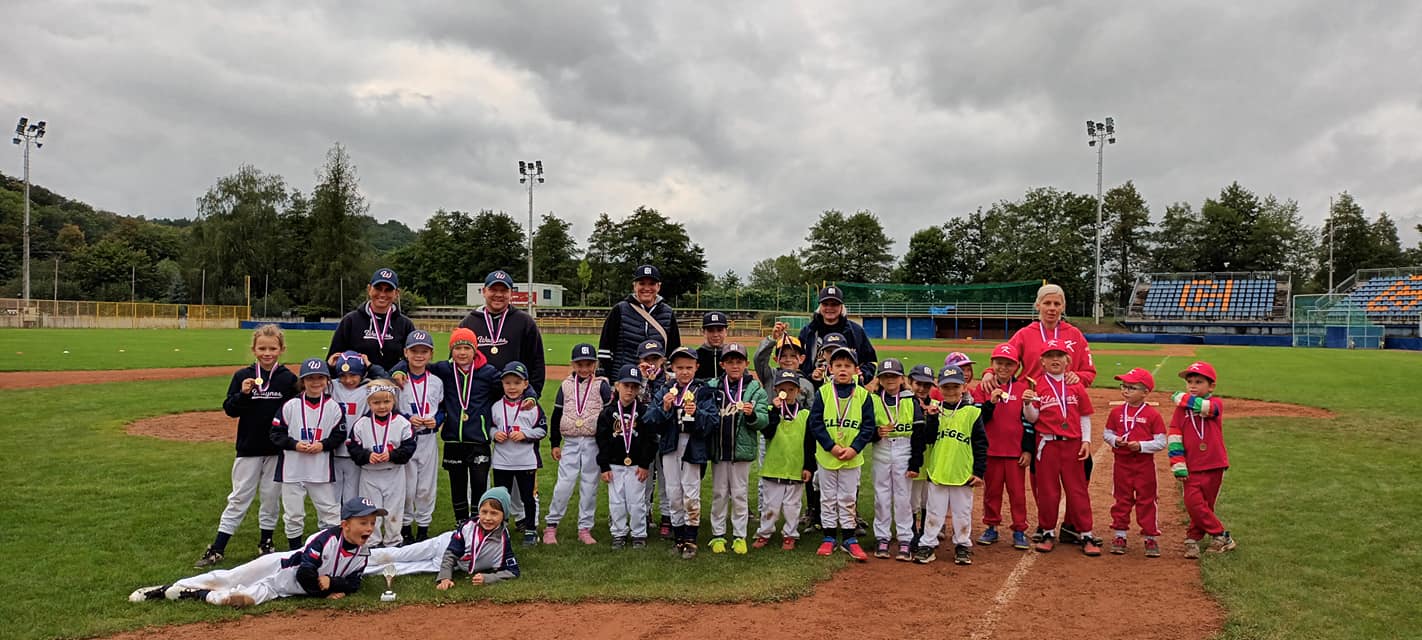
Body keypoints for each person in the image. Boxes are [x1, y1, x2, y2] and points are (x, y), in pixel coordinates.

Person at [982, 282, 1098, 546]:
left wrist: (1077, 377)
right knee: (1040, 472)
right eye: (1047, 303)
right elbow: (1005, 358)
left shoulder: (1075, 335)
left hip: (1066, 408)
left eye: (1057, 303)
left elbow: (1089, 372)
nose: (1052, 308)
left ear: (1063, 306)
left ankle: (1073, 525)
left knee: (1081, 471)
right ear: (1037, 305)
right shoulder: (1025, 334)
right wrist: (989, 372)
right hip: (1034, 407)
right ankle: (1045, 526)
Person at [133, 497, 385, 607]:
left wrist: (334, 584)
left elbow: (354, 583)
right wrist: (327, 590)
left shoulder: (362, 553)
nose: (369, 528)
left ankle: (193, 595)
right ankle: (165, 589)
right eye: (363, 522)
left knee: (237, 601)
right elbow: (305, 573)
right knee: (228, 578)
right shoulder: (325, 539)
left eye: (372, 523)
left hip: (281, 588)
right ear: (345, 524)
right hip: (277, 567)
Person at [196, 324, 298, 568]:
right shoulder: (243, 376)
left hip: (276, 450)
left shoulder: (287, 379)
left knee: (271, 498)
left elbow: (296, 411)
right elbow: (230, 410)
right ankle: (218, 547)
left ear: (281, 349)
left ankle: (266, 542)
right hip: (249, 448)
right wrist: (242, 394)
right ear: (254, 349)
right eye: (262, 348)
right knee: (239, 497)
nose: (267, 353)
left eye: (272, 348)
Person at [908, 364, 989, 565]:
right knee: (934, 512)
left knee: (962, 513)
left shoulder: (972, 413)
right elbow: (929, 438)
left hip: (963, 473)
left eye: (955, 386)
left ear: (964, 387)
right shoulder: (936, 410)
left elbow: (980, 444)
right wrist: (932, 418)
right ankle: (928, 544)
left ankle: (962, 544)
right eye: (946, 387)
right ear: (940, 388)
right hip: (939, 471)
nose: (951, 391)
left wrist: (979, 472)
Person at [1025, 340, 1100, 556]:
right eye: (1050, 356)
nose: (1055, 360)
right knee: (1047, 491)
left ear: (1068, 360)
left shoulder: (1075, 384)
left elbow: (1084, 415)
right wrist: (1027, 404)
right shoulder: (1037, 385)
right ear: (1042, 361)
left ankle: (1085, 533)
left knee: (1077, 490)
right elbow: (1033, 418)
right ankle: (1047, 532)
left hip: (1073, 444)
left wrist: (1086, 441)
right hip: (1047, 444)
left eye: (1059, 355)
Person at [807, 347, 877, 561]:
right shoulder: (823, 393)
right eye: (838, 365)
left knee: (847, 497)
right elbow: (815, 423)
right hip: (828, 456)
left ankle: (849, 537)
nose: (843, 369)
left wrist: (855, 448)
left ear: (856, 369)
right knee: (828, 497)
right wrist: (831, 446)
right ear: (830, 369)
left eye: (847, 366)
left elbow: (868, 426)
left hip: (852, 457)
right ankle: (829, 536)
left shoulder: (863, 395)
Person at [270, 358, 346, 551]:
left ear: (327, 380)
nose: (315, 382)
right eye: (310, 378)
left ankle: (329, 550)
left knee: (329, 511)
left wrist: (323, 445)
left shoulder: (333, 407)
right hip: (292, 469)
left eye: (320, 378)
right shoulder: (290, 405)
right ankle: (295, 550)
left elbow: (339, 435)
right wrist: (294, 444)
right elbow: (276, 434)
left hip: (320, 470)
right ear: (302, 381)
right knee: (293, 514)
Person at [647, 347, 714, 559]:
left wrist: (697, 414)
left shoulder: (703, 391)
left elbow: (713, 421)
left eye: (689, 367)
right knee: (673, 493)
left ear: (696, 368)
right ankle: (678, 539)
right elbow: (650, 420)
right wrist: (664, 408)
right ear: (672, 368)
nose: (684, 372)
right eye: (680, 368)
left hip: (693, 447)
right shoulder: (665, 390)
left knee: (691, 493)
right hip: (670, 446)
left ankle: (691, 540)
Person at [702, 344, 767, 555]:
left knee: (739, 495)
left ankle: (740, 536)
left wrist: (752, 415)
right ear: (722, 364)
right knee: (719, 494)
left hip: (741, 452)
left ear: (746, 364)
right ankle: (718, 535)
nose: (735, 366)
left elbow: (763, 420)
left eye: (739, 362)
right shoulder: (713, 386)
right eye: (730, 362)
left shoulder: (755, 390)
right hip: (720, 450)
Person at [544, 343, 612, 545]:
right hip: (571, 442)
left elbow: (609, 416)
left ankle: (585, 527)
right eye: (579, 364)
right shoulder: (565, 385)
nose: (584, 369)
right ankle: (551, 525)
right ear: (573, 364)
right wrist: (555, 443)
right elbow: (556, 415)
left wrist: (607, 445)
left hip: (593, 442)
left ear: (595, 364)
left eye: (588, 364)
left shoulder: (601, 385)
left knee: (589, 486)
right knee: (564, 484)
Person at [1168, 361, 1236, 559]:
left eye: (1198, 382)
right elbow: (1174, 436)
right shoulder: (1181, 411)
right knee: (1193, 503)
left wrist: (1180, 397)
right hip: (1192, 466)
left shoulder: (1216, 404)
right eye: (1189, 382)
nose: (1192, 386)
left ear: (1211, 386)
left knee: (1206, 505)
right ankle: (1221, 535)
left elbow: (1206, 407)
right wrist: (1178, 464)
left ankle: (1193, 538)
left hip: (1215, 463)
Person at [976, 343, 1035, 551]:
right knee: (992, 493)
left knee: (1017, 494)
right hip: (991, 451)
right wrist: (991, 403)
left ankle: (1019, 529)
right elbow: (978, 420)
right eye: (999, 363)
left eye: (1009, 364)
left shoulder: (1023, 389)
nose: (1003, 368)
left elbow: (1029, 423)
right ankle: (991, 526)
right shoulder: (983, 388)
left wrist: (1027, 449)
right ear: (992, 364)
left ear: (1016, 366)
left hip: (1015, 453)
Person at [1105, 368, 1167, 557]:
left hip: (1143, 464)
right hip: (1121, 463)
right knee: (1121, 498)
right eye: (1124, 386)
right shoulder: (1116, 412)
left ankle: (1150, 536)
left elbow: (1161, 441)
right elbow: (1107, 433)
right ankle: (1120, 534)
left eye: (1132, 388)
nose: (1125, 390)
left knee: (1147, 499)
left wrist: (1141, 446)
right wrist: (1115, 441)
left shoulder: (1152, 415)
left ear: (1145, 392)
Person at [347, 381, 416, 548]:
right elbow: (353, 447)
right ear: (369, 402)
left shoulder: (402, 423)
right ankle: (371, 542)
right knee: (371, 509)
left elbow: (409, 446)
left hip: (394, 472)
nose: (382, 406)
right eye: (376, 402)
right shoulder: (361, 424)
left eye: (387, 401)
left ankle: (393, 541)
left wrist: (392, 455)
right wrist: (367, 456)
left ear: (394, 401)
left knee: (394, 509)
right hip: (369, 474)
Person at [753, 370, 815, 550]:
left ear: (798, 391)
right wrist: (774, 411)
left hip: (795, 468)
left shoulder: (805, 415)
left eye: (791, 390)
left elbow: (810, 443)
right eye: (782, 390)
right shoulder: (770, 412)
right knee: (770, 505)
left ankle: (790, 534)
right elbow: (767, 432)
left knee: (792, 506)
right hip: (774, 467)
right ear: (775, 390)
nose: (786, 394)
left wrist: (808, 467)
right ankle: (764, 533)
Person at [597, 365, 658, 549]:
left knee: (637, 502)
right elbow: (601, 441)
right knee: (616, 501)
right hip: (614, 465)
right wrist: (604, 466)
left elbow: (650, 440)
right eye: (626, 386)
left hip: (637, 466)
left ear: (639, 389)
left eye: (634, 386)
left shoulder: (644, 411)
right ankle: (619, 533)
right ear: (617, 386)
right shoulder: (607, 413)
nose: (630, 390)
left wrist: (645, 464)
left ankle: (639, 533)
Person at [487, 362, 548, 546]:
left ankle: (530, 529)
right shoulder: (496, 407)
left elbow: (542, 430)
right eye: (507, 383)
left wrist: (525, 434)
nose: (512, 387)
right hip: (501, 462)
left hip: (526, 462)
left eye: (517, 383)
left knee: (527, 498)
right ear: (502, 384)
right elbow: (489, 427)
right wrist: (494, 434)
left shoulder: (532, 407)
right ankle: (501, 528)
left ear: (525, 384)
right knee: (501, 497)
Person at [458, 270, 548, 395]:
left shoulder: (525, 322)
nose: (499, 295)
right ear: (484, 291)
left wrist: (532, 395)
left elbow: (536, 363)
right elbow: (456, 361)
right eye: (493, 290)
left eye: (504, 290)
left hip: (513, 397)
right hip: (478, 398)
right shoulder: (469, 323)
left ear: (511, 293)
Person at [870, 358, 921, 561]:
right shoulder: (874, 400)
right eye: (885, 376)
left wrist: (915, 462)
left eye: (894, 376)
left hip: (904, 448)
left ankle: (905, 538)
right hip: (881, 449)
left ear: (902, 378)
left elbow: (918, 433)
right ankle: (882, 536)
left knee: (903, 496)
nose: (890, 379)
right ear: (880, 379)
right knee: (881, 495)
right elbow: (865, 429)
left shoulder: (911, 400)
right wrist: (876, 433)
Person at [398, 330, 443, 545]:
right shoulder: (399, 380)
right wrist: (407, 418)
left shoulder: (436, 382)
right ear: (406, 353)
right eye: (414, 351)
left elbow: (442, 408)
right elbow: (391, 409)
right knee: (407, 487)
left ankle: (423, 528)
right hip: (406, 439)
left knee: (426, 487)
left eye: (424, 351)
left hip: (428, 439)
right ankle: (405, 528)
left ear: (431, 354)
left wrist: (438, 420)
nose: (419, 355)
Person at [597, 264, 681, 379]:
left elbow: (673, 352)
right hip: (625, 380)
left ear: (659, 286)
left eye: (652, 284)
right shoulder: (619, 310)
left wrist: (669, 380)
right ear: (634, 286)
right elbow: (605, 350)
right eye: (642, 283)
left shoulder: (668, 313)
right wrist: (608, 378)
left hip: (657, 381)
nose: (646, 288)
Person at [327, 268, 416, 373]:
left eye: (388, 290)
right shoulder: (350, 321)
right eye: (378, 288)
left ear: (396, 293)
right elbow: (333, 360)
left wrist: (399, 372)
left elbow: (413, 359)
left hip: (392, 381)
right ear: (369, 289)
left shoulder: (405, 324)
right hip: (358, 382)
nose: (382, 294)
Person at [436, 487, 522, 588]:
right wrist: (445, 578)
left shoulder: (503, 539)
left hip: (456, 563)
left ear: (504, 516)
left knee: (424, 566)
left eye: (494, 513)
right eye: (484, 512)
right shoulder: (468, 527)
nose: (488, 518)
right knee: (418, 552)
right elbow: (451, 554)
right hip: (443, 544)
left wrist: (488, 578)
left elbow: (513, 571)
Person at [797, 286, 878, 383]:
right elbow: (796, 361)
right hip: (813, 386)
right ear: (820, 306)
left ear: (841, 307)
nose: (829, 308)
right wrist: (810, 377)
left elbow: (871, 361)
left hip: (847, 387)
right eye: (825, 304)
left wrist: (862, 375)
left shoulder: (856, 331)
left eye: (834, 304)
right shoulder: (808, 331)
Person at [327, 351, 370, 506]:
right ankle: (333, 521)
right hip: (334, 449)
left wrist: (370, 365)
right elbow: (313, 382)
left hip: (356, 451)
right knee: (332, 495)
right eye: (343, 376)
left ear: (362, 373)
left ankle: (350, 520)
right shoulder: (332, 386)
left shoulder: (369, 388)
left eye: (353, 375)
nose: (348, 380)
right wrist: (328, 367)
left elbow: (387, 381)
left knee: (352, 495)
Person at [754, 325, 815, 398]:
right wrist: (772, 339)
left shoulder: (806, 384)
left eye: (793, 356)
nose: (788, 359)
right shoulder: (770, 376)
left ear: (801, 359)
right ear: (776, 359)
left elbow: (810, 404)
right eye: (783, 356)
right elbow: (760, 359)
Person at [695, 311, 730, 380]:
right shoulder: (695, 357)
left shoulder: (733, 355)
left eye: (719, 330)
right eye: (711, 330)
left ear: (726, 331)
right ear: (703, 332)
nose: (715, 335)